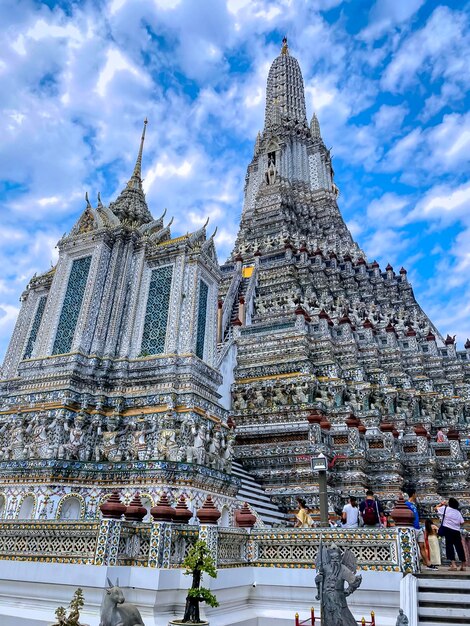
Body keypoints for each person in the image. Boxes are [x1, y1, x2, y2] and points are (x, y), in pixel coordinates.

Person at [405, 488, 435, 569]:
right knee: (413, 546)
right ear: (413, 494)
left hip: (418, 527)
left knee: (422, 546)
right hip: (412, 527)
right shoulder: (407, 504)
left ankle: (428, 563)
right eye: (416, 494)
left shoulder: (414, 504)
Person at [435, 497, 466, 571]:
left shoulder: (445, 509)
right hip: (456, 531)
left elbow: (436, 508)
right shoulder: (457, 512)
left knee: (449, 547)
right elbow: (462, 522)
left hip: (448, 530)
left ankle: (454, 565)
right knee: (459, 547)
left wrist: (441, 504)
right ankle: (462, 565)